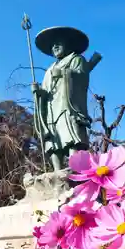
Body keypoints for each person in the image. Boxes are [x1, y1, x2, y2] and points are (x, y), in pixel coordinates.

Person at [33, 27, 92, 171]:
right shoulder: (50, 69)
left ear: (68, 44)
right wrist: (38, 92)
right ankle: (57, 171)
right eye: (53, 45)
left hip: (68, 106)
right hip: (52, 109)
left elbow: (82, 78)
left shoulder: (76, 59)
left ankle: (75, 167)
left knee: (71, 136)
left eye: (58, 43)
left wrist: (66, 73)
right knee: (53, 140)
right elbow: (46, 91)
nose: (55, 47)